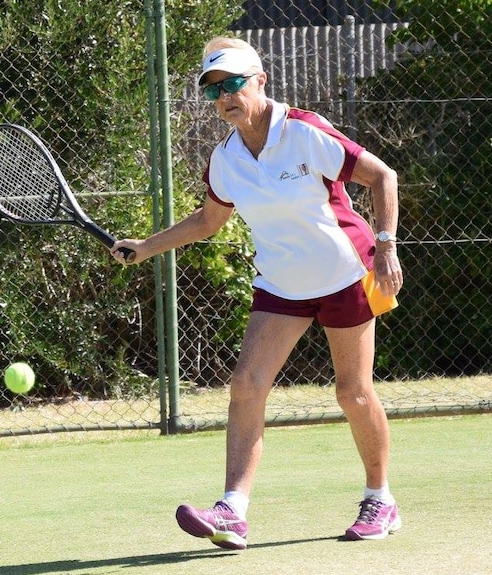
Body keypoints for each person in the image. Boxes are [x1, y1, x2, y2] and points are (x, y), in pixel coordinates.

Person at [110, 36, 404, 550]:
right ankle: (232, 511)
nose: (224, 96)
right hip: (281, 284)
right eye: (213, 89)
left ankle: (380, 499)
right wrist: (145, 246)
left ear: (260, 81)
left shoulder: (304, 132)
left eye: (233, 83)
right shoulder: (224, 160)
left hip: (345, 271)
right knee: (246, 384)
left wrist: (386, 247)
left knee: (351, 391)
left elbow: (383, 176)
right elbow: (208, 221)